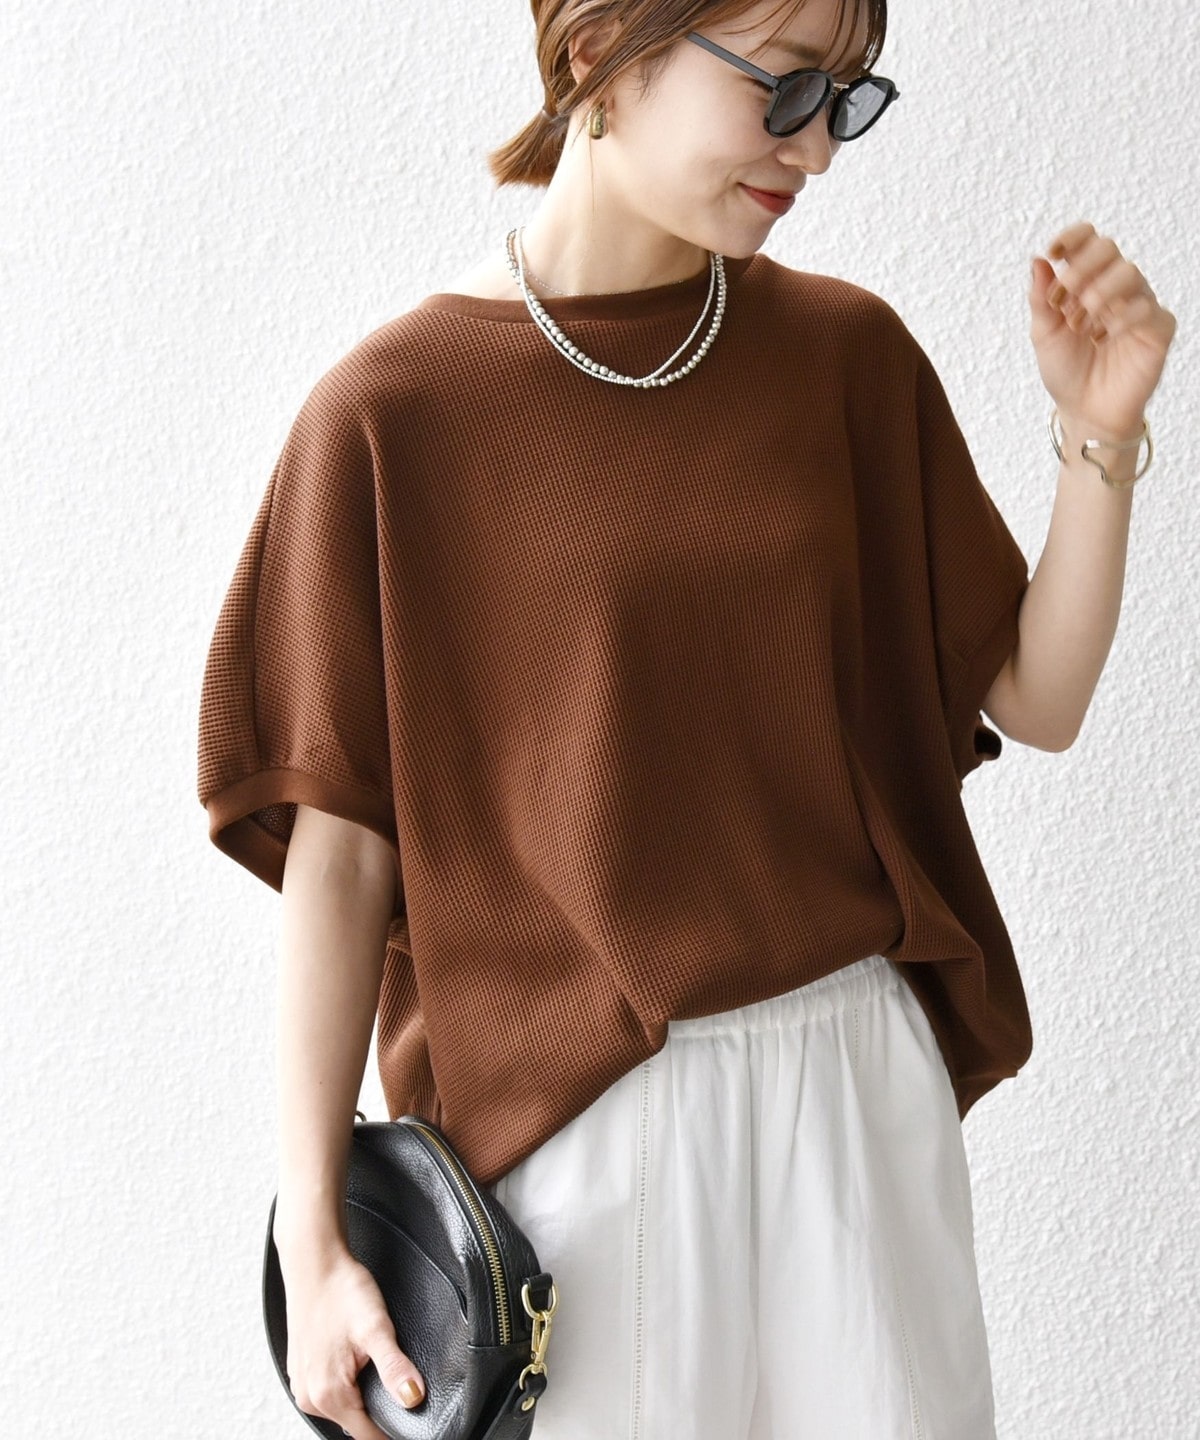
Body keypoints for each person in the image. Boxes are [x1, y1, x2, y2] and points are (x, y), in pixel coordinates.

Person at [196, 0, 1176, 1436]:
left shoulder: (844, 357)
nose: (816, 152)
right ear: (602, 51)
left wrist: (1104, 433)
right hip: (578, 1142)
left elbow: (1040, 695)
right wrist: (315, 1228)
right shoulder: (391, 416)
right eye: (784, 90)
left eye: (845, 99)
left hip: (853, 1092)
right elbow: (340, 861)